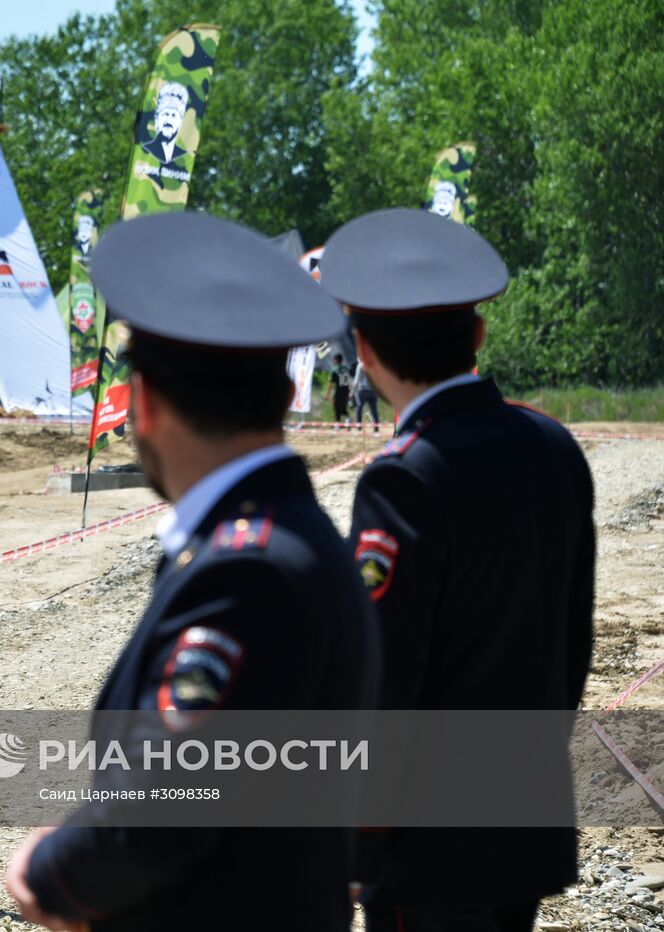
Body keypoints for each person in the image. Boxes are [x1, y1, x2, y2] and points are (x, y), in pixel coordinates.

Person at [4, 212, 379, 930]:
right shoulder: (276, 537)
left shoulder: (247, 568)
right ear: (282, 396)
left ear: (142, 405)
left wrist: (52, 873)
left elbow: (165, 799)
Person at [319, 207, 595, 932]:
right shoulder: (552, 446)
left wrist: (356, 846)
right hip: (522, 822)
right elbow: (572, 647)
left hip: (427, 852)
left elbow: (384, 685)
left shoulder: (404, 476)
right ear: (478, 335)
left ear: (362, 349)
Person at [139, 82, 189, 167]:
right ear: (157, 118)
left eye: (173, 115)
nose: (168, 120)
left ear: (180, 121)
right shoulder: (147, 149)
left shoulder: (182, 155)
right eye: (165, 114)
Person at [352, 359, 381, 432]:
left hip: (363, 390)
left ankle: (359, 428)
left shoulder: (360, 365)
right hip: (373, 391)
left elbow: (356, 380)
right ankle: (376, 428)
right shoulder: (374, 364)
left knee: (359, 409)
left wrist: (352, 391)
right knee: (374, 410)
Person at [326, 353, 352, 426]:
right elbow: (349, 382)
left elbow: (331, 384)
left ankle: (337, 424)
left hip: (338, 391)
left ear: (336, 360)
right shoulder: (346, 369)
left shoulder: (334, 370)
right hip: (346, 391)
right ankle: (347, 420)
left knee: (336, 407)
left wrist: (327, 395)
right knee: (343, 407)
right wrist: (350, 392)